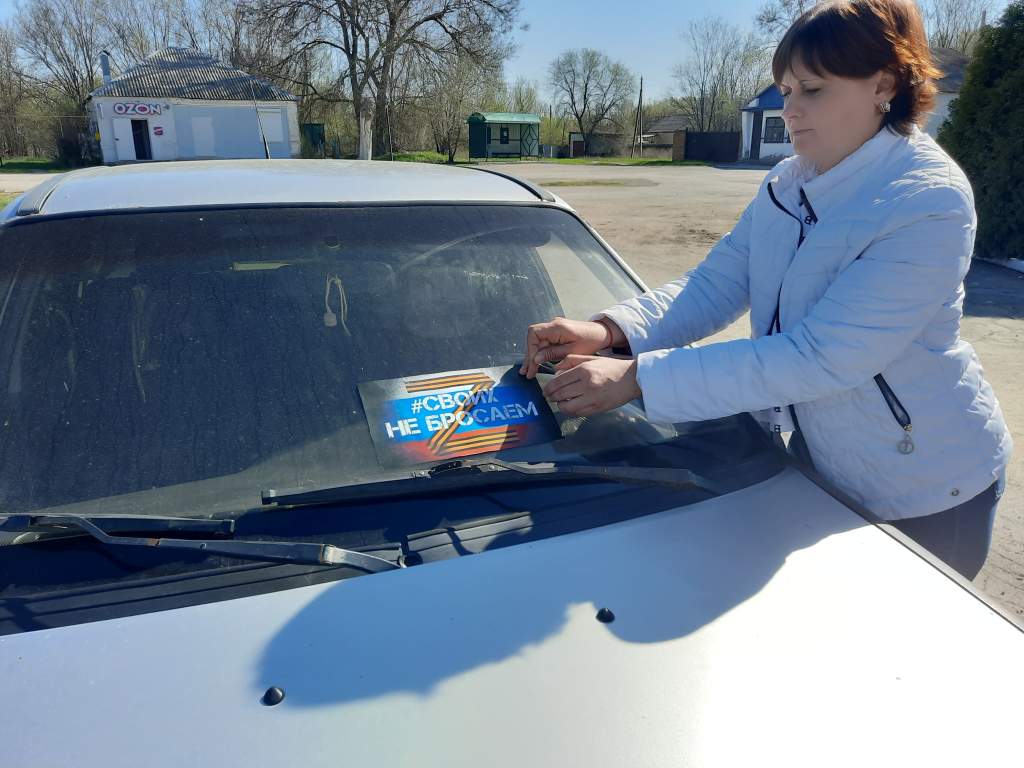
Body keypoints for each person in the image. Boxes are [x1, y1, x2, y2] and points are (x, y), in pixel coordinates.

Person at [520, 0, 1012, 580]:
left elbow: (821, 357)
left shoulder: (927, 199)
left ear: (883, 85)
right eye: (786, 90)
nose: (790, 110)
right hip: (820, 466)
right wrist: (610, 330)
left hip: (928, 485)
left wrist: (639, 378)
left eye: (813, 90)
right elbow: (715, 284)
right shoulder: (786, 183)